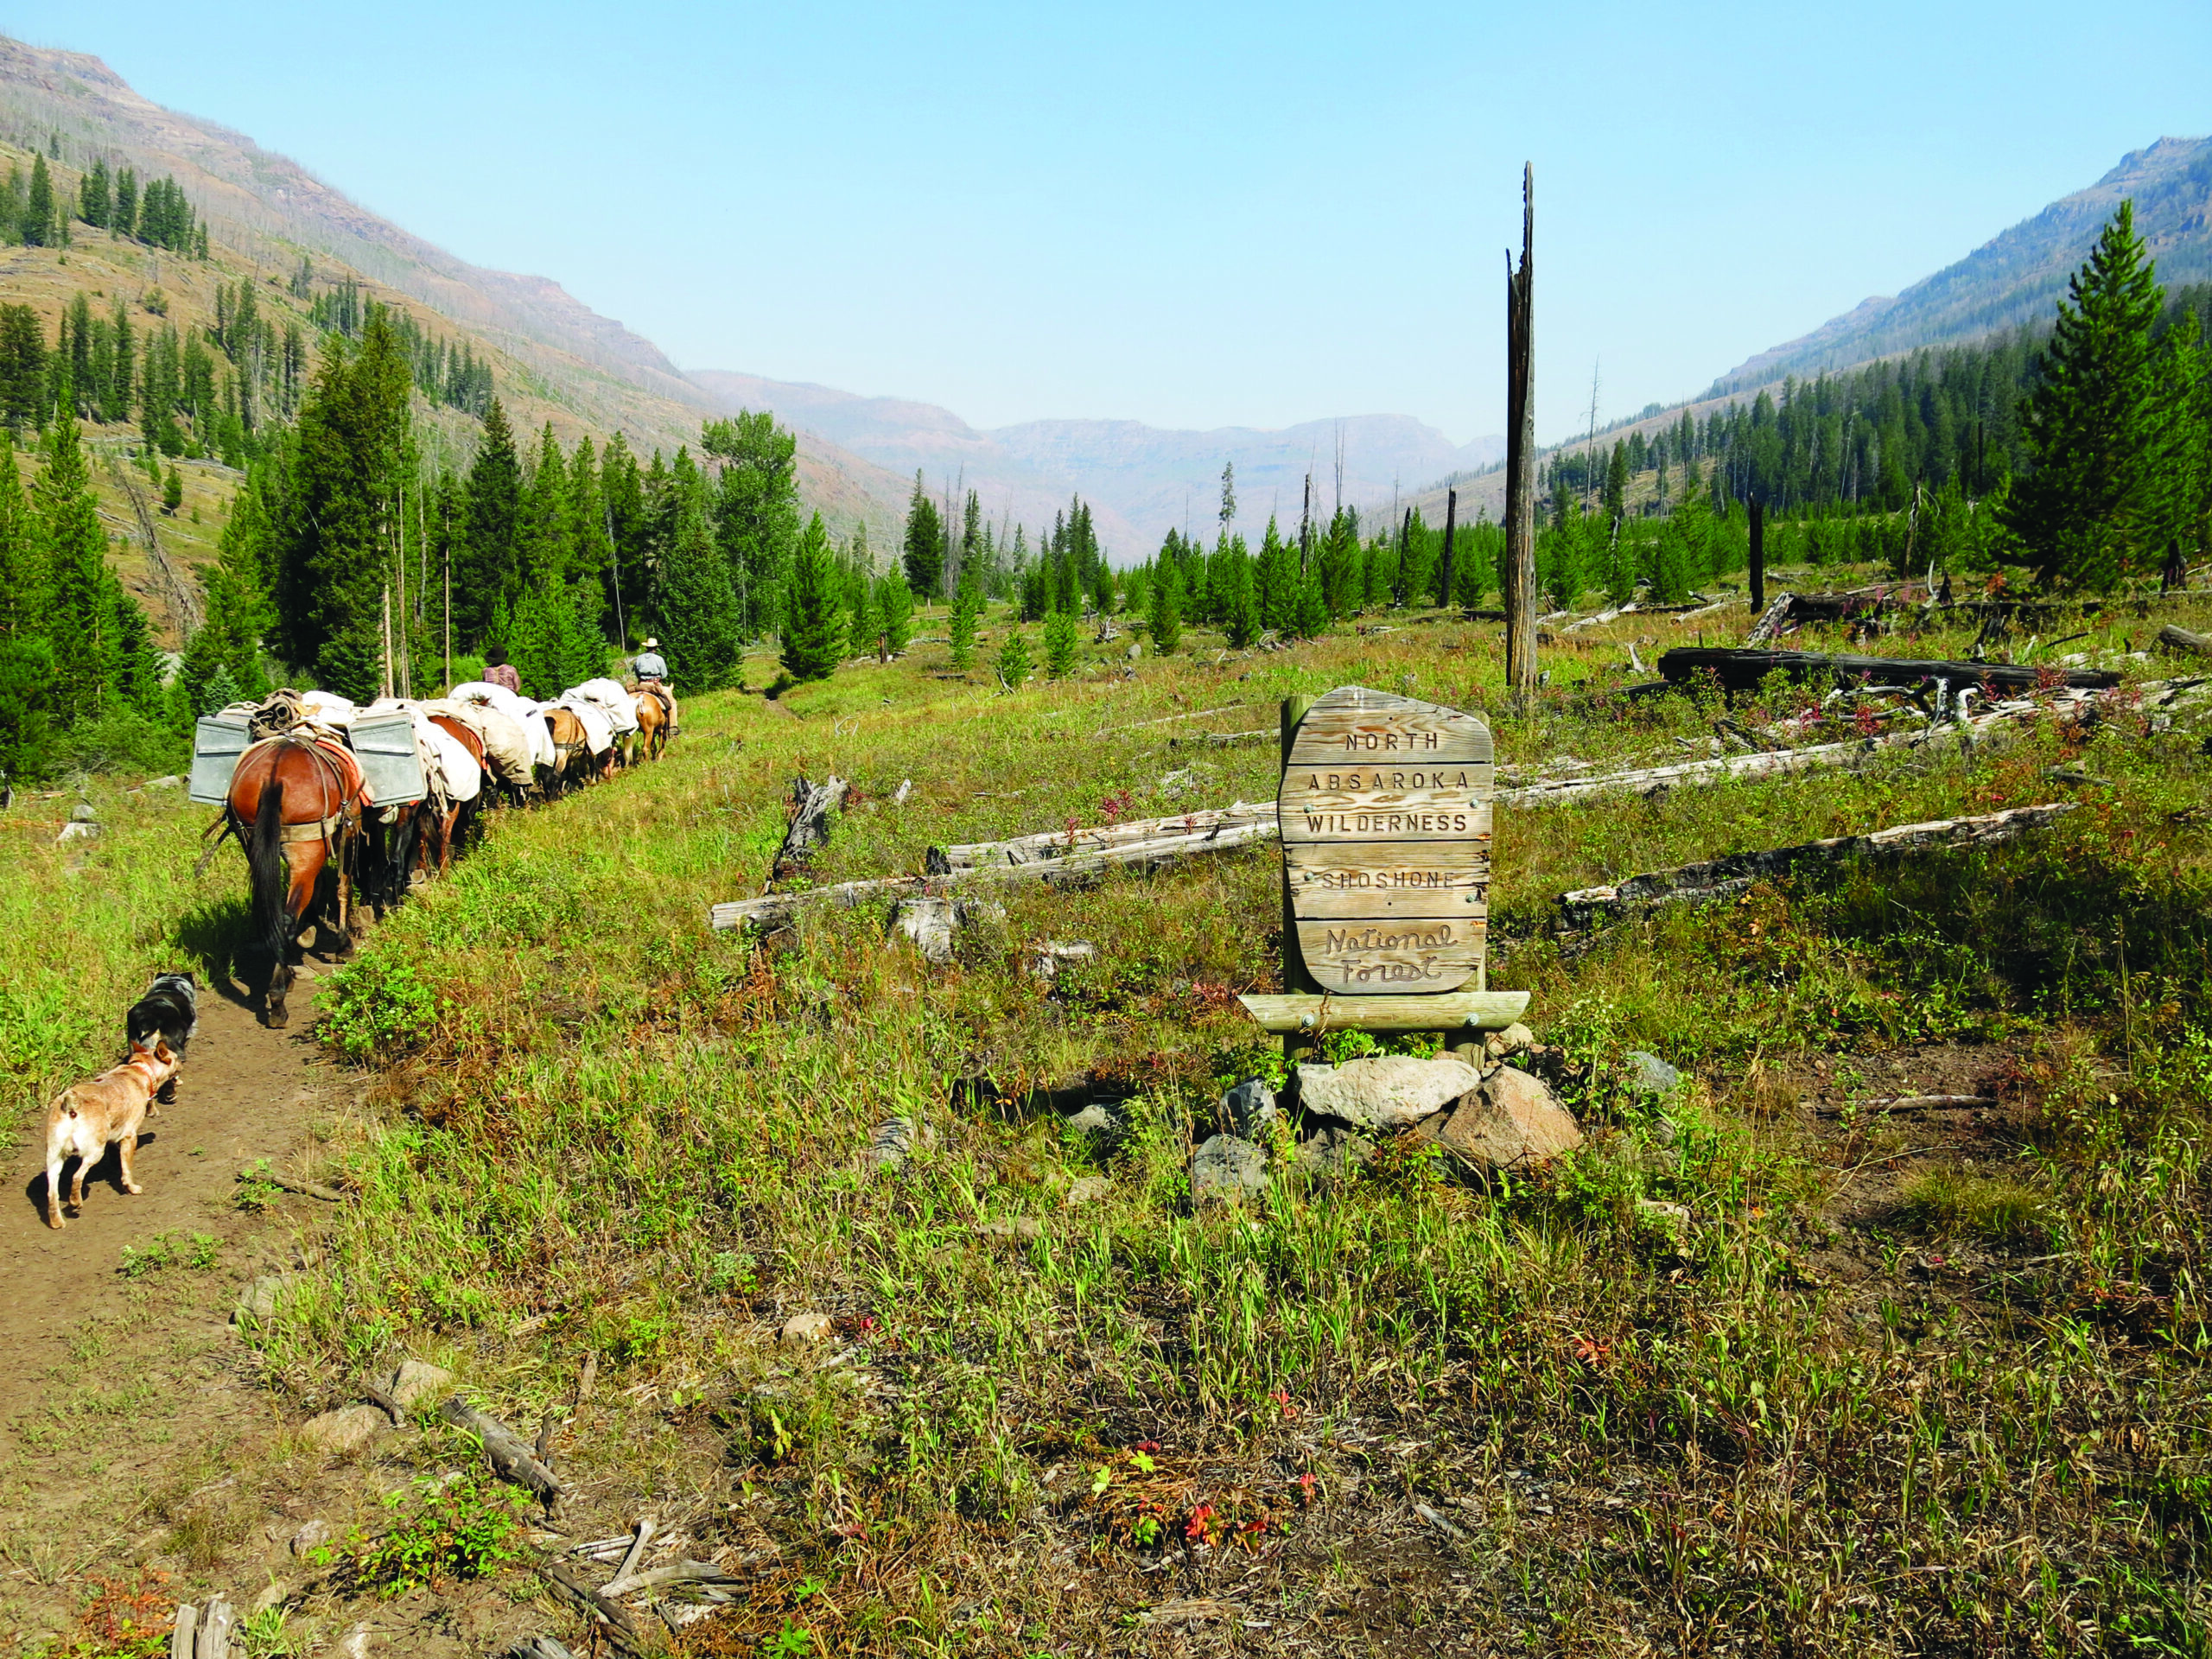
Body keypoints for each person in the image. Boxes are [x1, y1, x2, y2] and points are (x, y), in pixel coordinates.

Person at [629, 638, 678, 736]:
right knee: (672, 702)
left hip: (641, 685)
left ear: (646, 647)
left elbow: (637, 673)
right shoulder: (659, 659)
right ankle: (673, 726)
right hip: (655, 685)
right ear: (655, 648)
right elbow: (664, 674)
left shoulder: (639, 658)